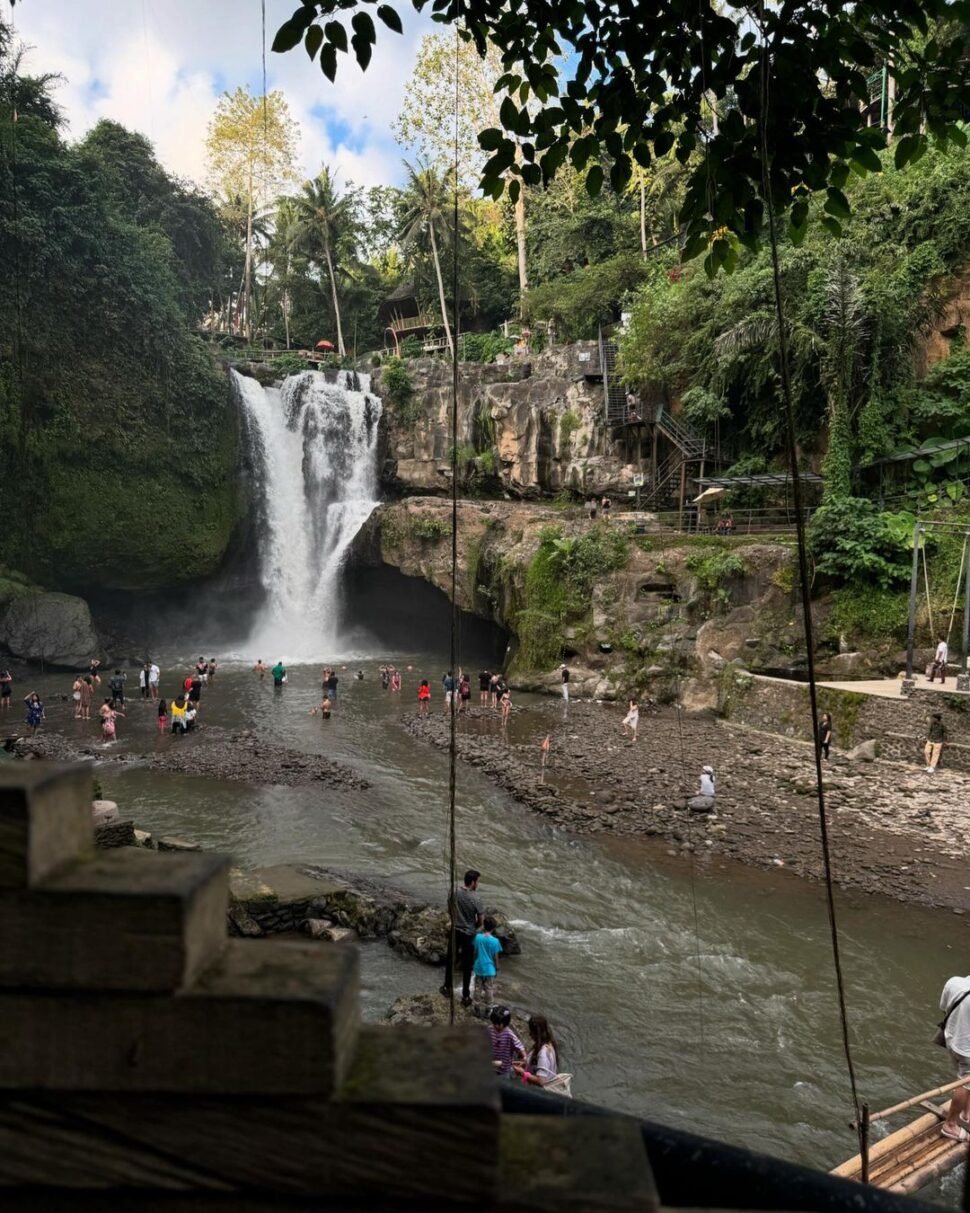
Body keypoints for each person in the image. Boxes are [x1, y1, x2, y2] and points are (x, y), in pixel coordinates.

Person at [441, 868, 483, 1007]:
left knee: (451, 959)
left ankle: (447, 987)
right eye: (477, 882)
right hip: (468, 933)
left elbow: (449, 907)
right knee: (467, 964)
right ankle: (465, 995)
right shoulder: (476, 898)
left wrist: (454, 919)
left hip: (455, 930)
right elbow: (481, 919)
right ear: (472, 882)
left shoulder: (454, 892)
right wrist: (473, 926)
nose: (478, 884)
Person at [939, 972, 970, 1142]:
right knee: (965, 1084)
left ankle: (966, 1114)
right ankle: (950, 1125)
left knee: (965, 1080)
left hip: (951, 1039)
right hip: (968, 1049)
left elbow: (944, 1007)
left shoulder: (954, 982)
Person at [514, 1016, 561, 1088]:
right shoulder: (549, 1043)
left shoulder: (543, 1053)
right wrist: (525, 1064)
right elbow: (538, 1066)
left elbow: (541, 1081)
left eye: (531, 1032)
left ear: (537, 1033)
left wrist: (522, 1072)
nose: (530, 1034)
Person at [472, 916, 502, 1014]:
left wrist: (474, 962)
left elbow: (475, 952)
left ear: (484, 926)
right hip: (489, 969)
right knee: (489, 989)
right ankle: (488, 1008)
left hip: (479, 966)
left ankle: (476, 1007)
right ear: (494, 928)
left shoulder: (478, 937)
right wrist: (497, 968)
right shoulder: (495, 941)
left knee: (478, 988)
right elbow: (495, 956)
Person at [488, 1006, 526, 1078]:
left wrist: (524, 1056)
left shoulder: (509, 1034)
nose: (496, 1025)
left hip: (504, 1069)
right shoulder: (490, 1029)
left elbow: (519, 1046)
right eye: (494, 1023)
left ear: (505, 1023)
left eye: (498, 1024)